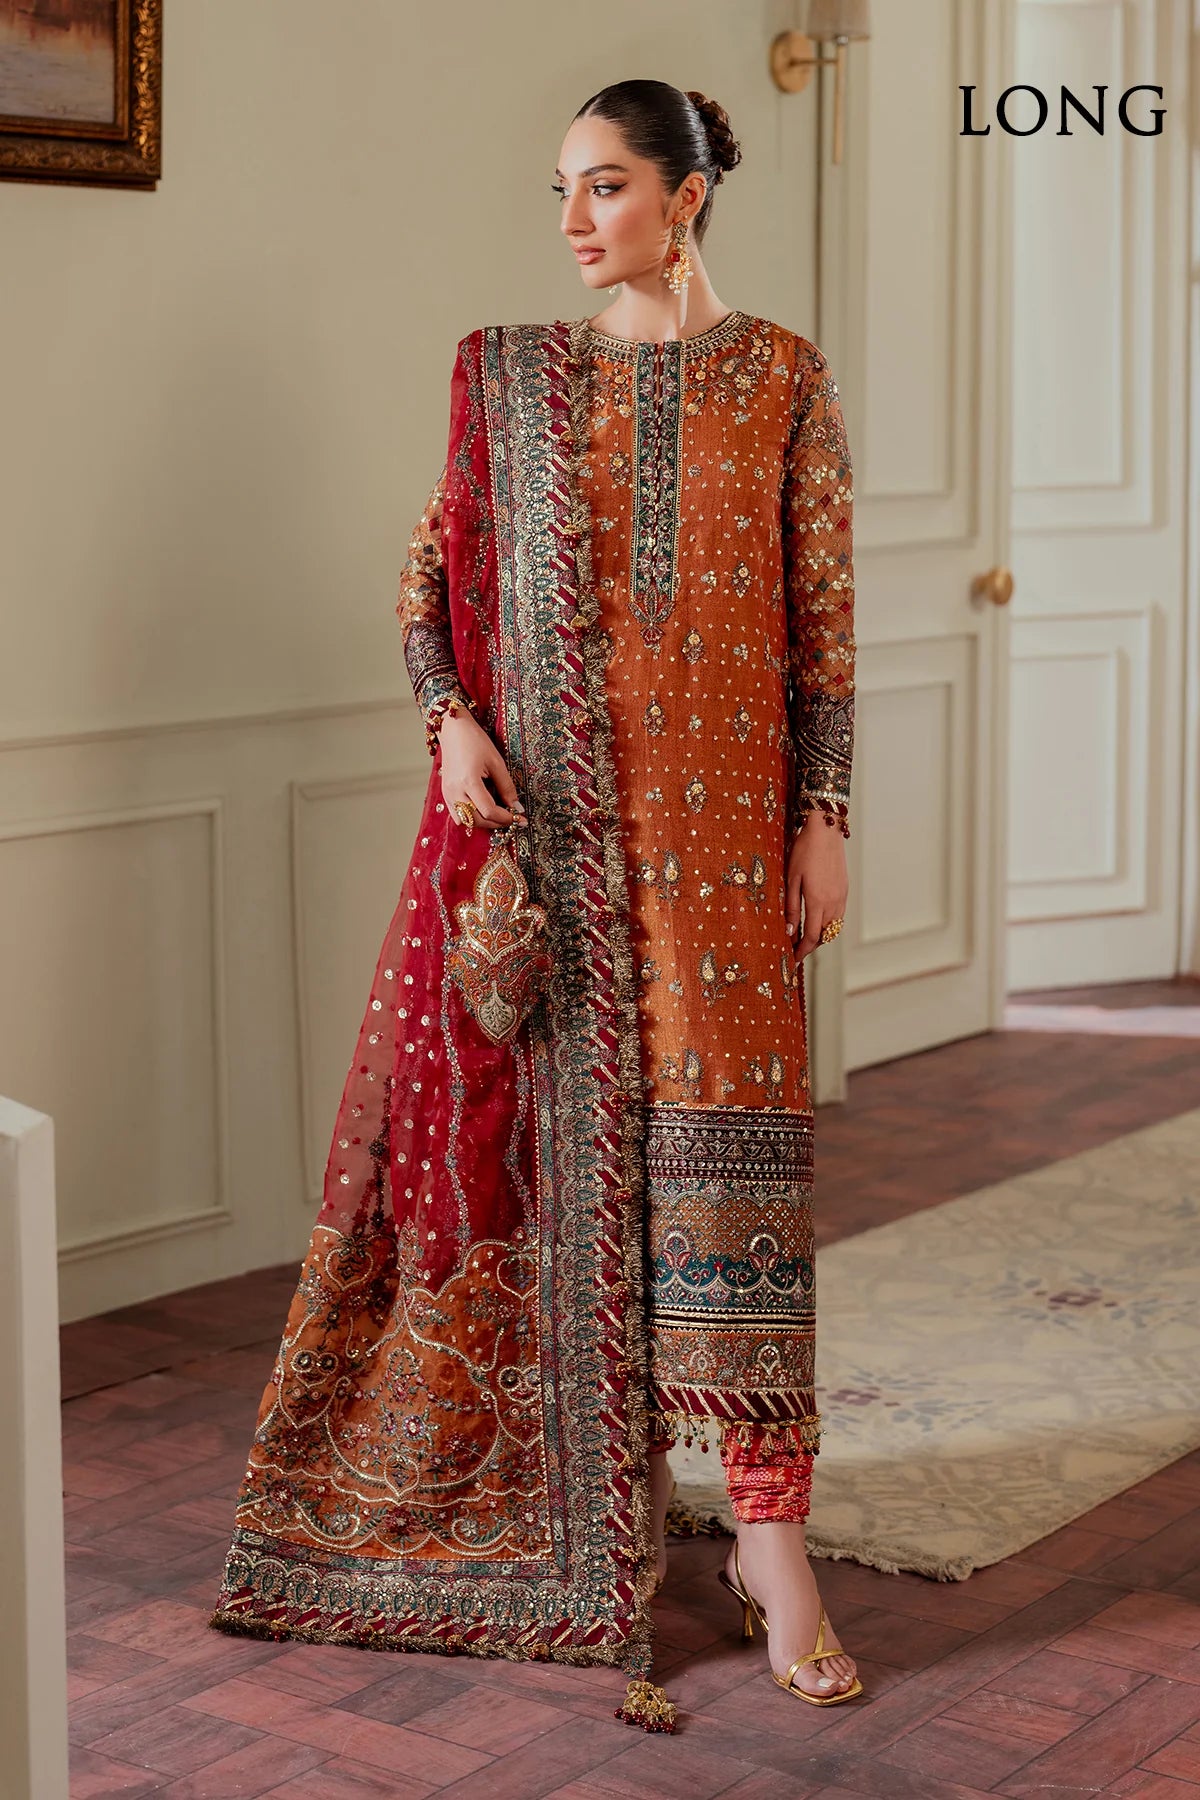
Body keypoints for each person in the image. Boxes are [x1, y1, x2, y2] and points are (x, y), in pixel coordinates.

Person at [211, 77, 860, 1723]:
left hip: (726, 864)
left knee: (735, 1193)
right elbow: (428, 581)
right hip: (555, 855)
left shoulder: (781, 377)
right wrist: (450, 723)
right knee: (568, 1177)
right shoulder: (508, 378)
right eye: (561, 189)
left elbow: (824, 618)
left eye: (607, 186)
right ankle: (608, 1499)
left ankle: (773, 1545)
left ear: (686, 195)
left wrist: (826, 815)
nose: (574, 219)